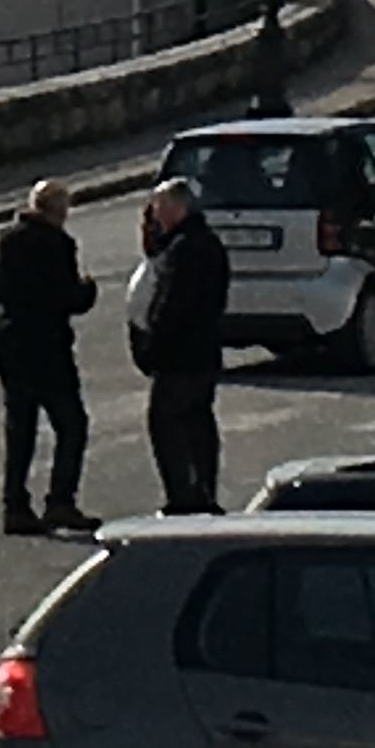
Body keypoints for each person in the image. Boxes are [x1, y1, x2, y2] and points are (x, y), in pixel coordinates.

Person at [0, 178, 98, 536]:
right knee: (71, 424)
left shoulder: (4, 241)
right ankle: (60, 501)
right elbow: (68, 298)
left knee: (21, 427)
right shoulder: (57, 244)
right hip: (47, 348)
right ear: (57, 210)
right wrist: (88, 290)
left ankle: (15, 505)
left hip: (9, 344)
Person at [129, 178, 234, 517]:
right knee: (199, 422)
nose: (155, 216)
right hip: (205, 350)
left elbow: (169, 305)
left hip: (180, 356)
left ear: (178, 207)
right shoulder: (207, 243)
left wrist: (152, 346)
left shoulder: (183, 249)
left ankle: (184, 498)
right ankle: (204, 489)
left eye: (159, 209)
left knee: (168, 423)